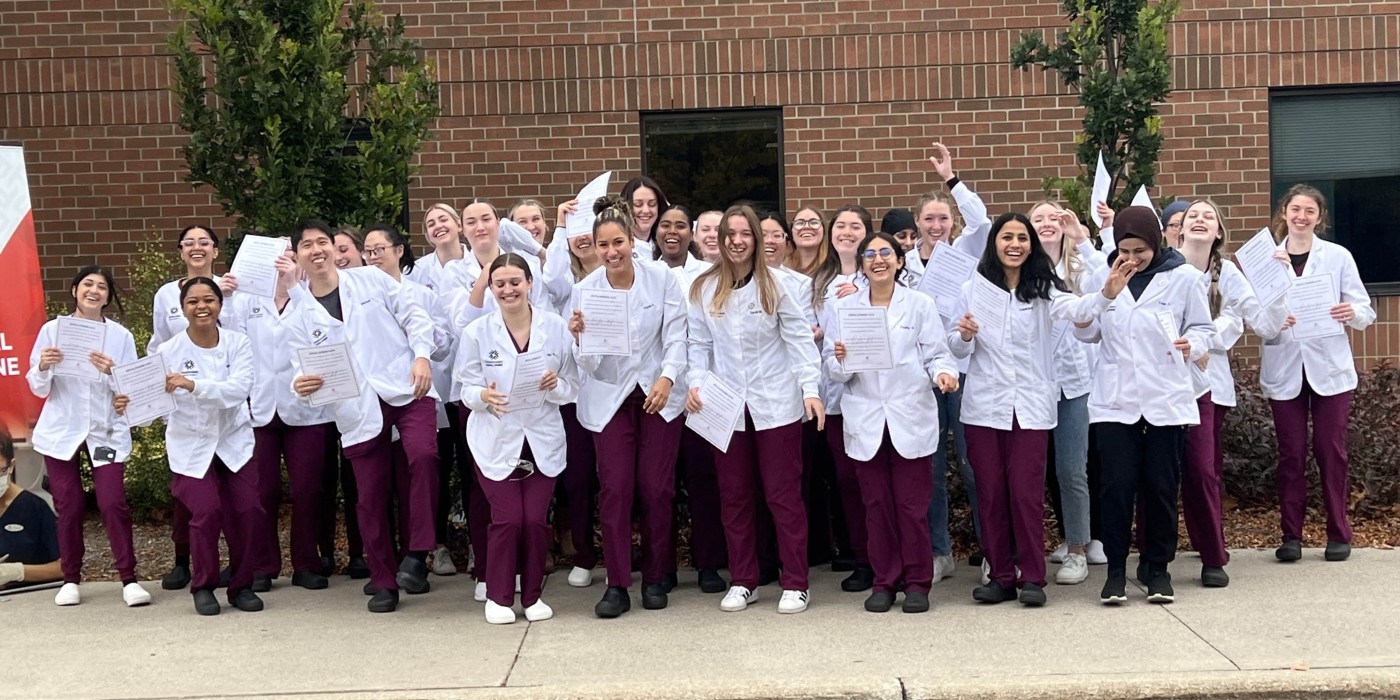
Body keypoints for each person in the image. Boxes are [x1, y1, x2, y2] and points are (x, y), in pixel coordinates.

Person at [283, 220, 439, 614]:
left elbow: (415, 316)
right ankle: (384, 581)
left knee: (423, 455)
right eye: (307, 245)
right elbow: (300, 372)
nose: (317, 250)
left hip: (406, 386)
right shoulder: (298, 317)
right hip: (357, 408)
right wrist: (302, 385)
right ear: (297, 256)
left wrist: (422, 356)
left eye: (323, 242)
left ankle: (417, 552)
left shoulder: (370, 279)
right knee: (369, 499)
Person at [1074, 206, 1216, 605]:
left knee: (1160, 487)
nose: (1132, 259)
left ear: (1155, 242)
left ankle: (1158, 569)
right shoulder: (1105, 277)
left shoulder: (1184, 277)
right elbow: (1085, 333)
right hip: (1115, 400)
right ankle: (1116, 571)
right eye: (1125, 251)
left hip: (1165, 397)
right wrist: (1101, 298)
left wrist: (1194, 344)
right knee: (1116, 487)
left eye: (1141, 251)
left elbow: (1204, 329)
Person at [685, 204, 823, 615]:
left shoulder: (777, 284)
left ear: (757, 240)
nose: (737, 241)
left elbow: (799, 339)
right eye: (730, 234)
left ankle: (795, 581)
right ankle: (744, 579)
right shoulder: (704, 287)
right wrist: (695, 383)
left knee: (783, 495)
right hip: (726, 406)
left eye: (745, 234)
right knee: (734, 496)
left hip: (775, 403)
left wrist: (810, 389)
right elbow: (699, 344)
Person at [951, 213, 1094, 607]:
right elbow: (955, 348)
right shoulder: (973, 289)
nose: (1014, 244)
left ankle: (1032, 576)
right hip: (984, 407)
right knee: (991, 493)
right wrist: (964, 336)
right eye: (1006, 237)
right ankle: (1000, 575)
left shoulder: (1045, 289)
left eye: (1022, 238)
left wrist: (1107, 294)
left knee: (1025, 494)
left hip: (1030, 406)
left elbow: (1078, 310)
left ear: (1031, 246)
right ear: (994, 243)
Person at [825, 231, 959, 613]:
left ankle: (917, 583)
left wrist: (944, 375)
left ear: (900, 261)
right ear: (862, 265)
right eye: (870, 254)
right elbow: (832, 368)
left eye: (886, 252)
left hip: (909, 414)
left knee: (911, 507)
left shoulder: (919, 305)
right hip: (867, 417)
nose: (878, 259)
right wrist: (841, 358)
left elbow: (937, 354)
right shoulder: (844, 309)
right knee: (876, 506)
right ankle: (884, 581)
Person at [569, 198, 688, 617]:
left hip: (657, 394)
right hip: (611, 398)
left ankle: (655, 576)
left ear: (632, 242)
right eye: (603, 245)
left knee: (656, 488)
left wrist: (667, 378)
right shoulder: (585, 290)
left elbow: (677, 335)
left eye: (618, 242)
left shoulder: (661, 279)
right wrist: (580, 338)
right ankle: (617, 583)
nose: (611, 251)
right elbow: (587, 365)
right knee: (616, 489)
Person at [118, 277, 264, 616]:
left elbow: (238, 390)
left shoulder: (238, 343)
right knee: (206, 511)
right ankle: (204, 585)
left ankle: (241, 585)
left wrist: (192, 385)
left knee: (248, 511)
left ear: (220, 305)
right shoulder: (167, 352)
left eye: (209, 300)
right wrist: (127, 406)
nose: (202, 306)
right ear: (182, 308)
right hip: (190, 445)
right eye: (193, 301)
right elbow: (151, 409)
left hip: (233, 441)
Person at [456, 253, 579, 624]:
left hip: (540, 437)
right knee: (509, 519)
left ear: (529, 284)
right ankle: (498, 596)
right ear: (491, 288)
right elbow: (465, 389)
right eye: (500, 284)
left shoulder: (555, 328)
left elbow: (572, 386)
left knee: (535, 520)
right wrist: (483, 396)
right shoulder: (477, 332)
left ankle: (532, 596)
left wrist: (555, 385)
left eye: (515, 282)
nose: (508, 290)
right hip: (496, 438)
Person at [1176, 199, 1288, 586]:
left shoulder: (1228, 274)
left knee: (1202, 470)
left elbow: (1261, 324)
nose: (1200, 220)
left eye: (1209, 216)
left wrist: (1278, 287)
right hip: (1161, 382)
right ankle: (1152, 552)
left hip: (1208, 385)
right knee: (1157, 470)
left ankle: (1212, 553)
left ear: (1219, 231)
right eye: (1193, 215)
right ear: (1179, 229)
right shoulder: (1165, 267)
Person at [1261, 185, 1374, 563]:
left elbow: (1365, 310)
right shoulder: (1267, 259)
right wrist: (1275, 319)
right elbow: (1255, 316)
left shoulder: (1338, 256)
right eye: (1296, 209)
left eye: (1310, 211)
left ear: (1319, 218)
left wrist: (1350, 312)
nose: (1302, 217)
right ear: (1284, 213)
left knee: (1331, 451)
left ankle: (1338, 533)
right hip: (1286, 366)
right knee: (1290, 454)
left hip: (1329, 368)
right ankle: (1290, 536)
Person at [26, 266, 149, 607]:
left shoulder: (120, 336)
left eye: (102, 287)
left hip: (105, 429)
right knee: (69, 504)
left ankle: (129, 579)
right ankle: (70, 579)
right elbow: (38, 387)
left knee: (112, 502)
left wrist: (112, 372)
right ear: (74, 290)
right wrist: (44, 366)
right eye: (87, 284)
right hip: (62, 429)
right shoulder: (52, 330)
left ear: (108, 296)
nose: (94, 291)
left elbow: (130, 389)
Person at [224, 247, 336, 593]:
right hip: (259, 407)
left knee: (308, 490)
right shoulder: (247, 300)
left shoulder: (309, 297)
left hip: (306, 408)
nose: (281, 263)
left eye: (289, 256)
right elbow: (230, 339)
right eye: (277, 256)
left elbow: (324, 332)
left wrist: (295, 287)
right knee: (262, 491)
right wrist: (226, 297)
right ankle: (262, 565)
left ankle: (306, 563)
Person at [907, 144, 992, 581]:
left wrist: (951, 180)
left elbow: (983, 222)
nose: (936, 225)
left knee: (975, 464)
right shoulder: (902, 265)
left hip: (962, 369)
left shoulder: (965, 253)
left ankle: (992, 549)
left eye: (943, 218)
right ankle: (940, 552)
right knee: (932, 466)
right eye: (929, 219)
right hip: (921, 375)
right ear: (917, 223)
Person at [362, 224, 458, 576]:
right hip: (372, 395)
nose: (373, 256)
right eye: (368, 251)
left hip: (414, 390)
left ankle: (418, 553)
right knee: (378, 478)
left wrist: (422, 340)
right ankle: (385, 563)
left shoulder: (422, 294)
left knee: (423, 459)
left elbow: (445, 344)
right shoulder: (357, 293)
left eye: (380, 249)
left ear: (399, 251)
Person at [1027, 200, 1106, 584]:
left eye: (1054, 217)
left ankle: (1078, 547)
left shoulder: (1081, 268)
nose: (1047, 223)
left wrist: (1083, 240)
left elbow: (1108, 286)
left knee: (1073, 469)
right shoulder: (1021, 272)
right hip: (1033, 384)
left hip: (1074, 383)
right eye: (1037, 218)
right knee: (1034, 471)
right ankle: (1046, 542)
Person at [149, 224, 228, 591]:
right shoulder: (166, 293)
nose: (197, 248)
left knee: (232, 490)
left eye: (204, 242)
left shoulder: (232, 288)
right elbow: (157, 346)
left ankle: (235, 563)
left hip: (224, 404)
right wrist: (154, 393)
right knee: (188, 491)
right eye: (189, 243)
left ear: (216, 250)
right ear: (181, 251)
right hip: (182, 404)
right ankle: (183, 561)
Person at [810, 205, 874, 592]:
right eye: (841, 226)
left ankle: (887, 557)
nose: (847, 232)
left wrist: (862, 294)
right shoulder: (818, 281)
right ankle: (862, 559)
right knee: (847, 480)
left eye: (856, 227)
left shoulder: (879, 274)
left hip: (873, 394)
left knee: (874, 481)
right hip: (834, 396)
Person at [0, 430, 63, 591]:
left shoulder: (34, 508)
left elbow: (64, 567)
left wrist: (18, 572)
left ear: (11, 466)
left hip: (28, 598)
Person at [621, 176, 669, 259]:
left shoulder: (666, 247)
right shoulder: (619, 250)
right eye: (638, 204)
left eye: (652, 204)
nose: (646, 210)